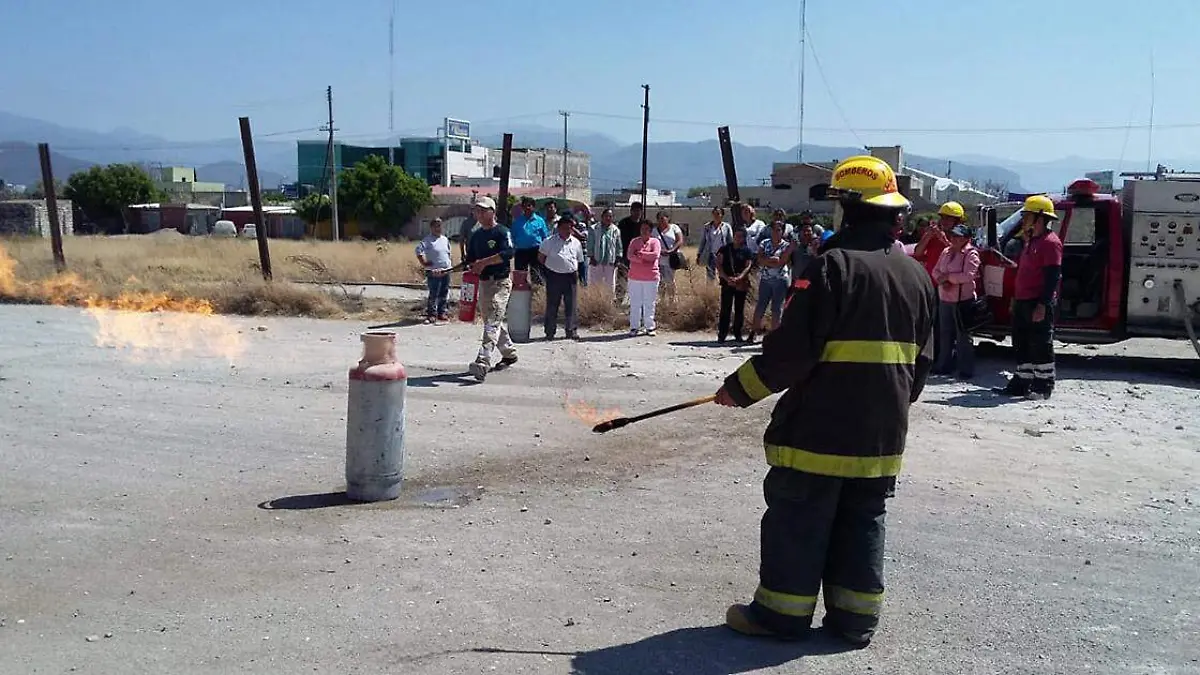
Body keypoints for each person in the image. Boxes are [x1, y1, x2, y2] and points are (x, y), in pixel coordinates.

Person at [714, 154, 937, 647]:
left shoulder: (829, 268)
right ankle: (855, 621)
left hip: (819, 430)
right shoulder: (917, 276)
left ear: (848, 209)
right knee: (862, 523)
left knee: (800, 519)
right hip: (881, 435)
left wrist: (738, 389)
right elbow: (921, 367)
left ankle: (780, 615)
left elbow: (791, 354)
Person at [995, 195, 1063, 400]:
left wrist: (1042, 304)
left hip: (1037, 302)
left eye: (1027, 216)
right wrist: (1016, 298)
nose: (1024, 220)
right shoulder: (1032, 241)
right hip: (1023, 301)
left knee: (1040, 344)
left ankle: (1044, 385)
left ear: (1039, 218)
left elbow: (1052, 276)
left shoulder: (1051, 243)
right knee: (1021, 342)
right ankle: (1022, 382)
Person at [463, 197, 519, 382]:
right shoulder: (476, 235)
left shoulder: (502, 232)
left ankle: (482, 360)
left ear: (492, 212)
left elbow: (508, 253)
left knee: (493, 317)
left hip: (501, 282)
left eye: (482, 210)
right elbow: (470, 260)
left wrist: (484, 263)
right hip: (485, 283)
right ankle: (509, 353)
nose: (478, 214)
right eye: (476, 210)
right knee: (491, 320)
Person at [932, 223, 981, 378]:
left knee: (963, 336)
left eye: (958, 236)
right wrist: (942, 280)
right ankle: (943, 365)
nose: (954, 238)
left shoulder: (971, 254)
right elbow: (936, 270)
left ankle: (965, 369)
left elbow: (969, 275)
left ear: (966, 239)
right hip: (945, 298)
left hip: (962, 301)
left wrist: (948, 278)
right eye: (953, 235)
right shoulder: (946, 251)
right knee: (945, 333)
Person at [538, 213, 585, 340]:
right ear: (558, 228)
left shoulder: (576, 243)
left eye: (569, 228)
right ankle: (549, 332)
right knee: (552, 305)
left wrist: (582, 277)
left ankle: (571, 330)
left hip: (571, 277)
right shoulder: (549, 242)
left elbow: (580, 261)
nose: (567, 230)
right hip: (554, 276)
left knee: (571, 305)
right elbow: (541, 258)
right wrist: (547, 272)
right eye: (564, 227)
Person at [750, 220, 791, 342]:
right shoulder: (764, 243)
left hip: (780, 280)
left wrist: (769, 261)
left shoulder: (786, 245)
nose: (775, 232)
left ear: (783, 231)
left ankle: (775, 336)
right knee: (761, 306)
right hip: (766, 279)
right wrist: (771, 260)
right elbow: (759, 259)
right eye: (773, 229)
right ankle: (754, 331)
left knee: (777, 308)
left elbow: (781, 262)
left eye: (778, 230)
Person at [716, 227, 754, 343]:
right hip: (727, 283)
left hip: (740, 284)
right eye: (736, 235)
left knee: (739, 309)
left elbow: (748, 266)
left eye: (740, 236)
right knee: (725, 309)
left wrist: (739, 278)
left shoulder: (746, 251)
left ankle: (737, 333)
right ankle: (722, 334)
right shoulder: (724, 249)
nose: (737, 238)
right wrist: (727, 278)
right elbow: (718, 264)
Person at [626, 220, 662, 336]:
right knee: (635, 302)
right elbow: (630, 255)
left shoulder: (655, 242)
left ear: (651, 231)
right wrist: (645, 258)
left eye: (647, 229)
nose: (644, 231)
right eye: (642, 229)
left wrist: (640, 254)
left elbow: (655, 255)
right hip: (635, 277)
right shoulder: (634, 241)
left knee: (649, 302)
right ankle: (634, 327)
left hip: (651, 277)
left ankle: (649, 326)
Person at [414, 217, 453, 324]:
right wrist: (424, 263)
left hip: (446, 271)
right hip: (434, 272)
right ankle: (431, 314)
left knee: (444, 293)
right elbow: (418, 251)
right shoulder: (427, 240)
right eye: (436, 226)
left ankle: (442, 312)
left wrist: (450, 266)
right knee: (434, 293)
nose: (438, 228)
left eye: (440, 226)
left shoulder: (445, 239)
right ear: (431, 227)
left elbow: (448, 254)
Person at [511, 197, 549, 282]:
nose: (527, 208)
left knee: (537, 275)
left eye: (529, 205)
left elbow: (545, 237)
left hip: (536, 250)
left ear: (534, 207)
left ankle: (536, 293)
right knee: (520, 276)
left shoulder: (540, 221)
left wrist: (544, 252)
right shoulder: (517, 221)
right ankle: (521, 294)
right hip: (521, 251)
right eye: (524, 206)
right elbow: (512, 236)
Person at [587, 208, 622, 296]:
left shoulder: (615, 230)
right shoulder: (594, 228)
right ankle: (594, 304)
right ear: (602, 217)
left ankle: (607, 305)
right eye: (606, 216)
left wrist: (618, 259)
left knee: (610, 286)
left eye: (610, 216)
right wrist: (591, 257)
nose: (608, 218)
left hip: (610, 262)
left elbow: (619, 246)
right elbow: (590, 244)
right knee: (594, 285)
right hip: (596, 260)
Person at [615, 202, 645, 301]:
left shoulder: (643, 224)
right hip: (625, 256)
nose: (637, 213)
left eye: (639, 211)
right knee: (622, 279)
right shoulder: (623, 223)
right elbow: (618, 240)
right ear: (631, 211)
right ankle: (619, 300)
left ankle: (636, 301)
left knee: (638, 280)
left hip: (639, 257)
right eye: (635, 210)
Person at [653, 211, 685, 302]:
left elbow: (680, 240)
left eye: (663, 219)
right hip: (658, 260)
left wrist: (671, 250)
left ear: (668, 218)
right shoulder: (654, 231)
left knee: (670, 281)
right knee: (660, 282)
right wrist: (659, 251)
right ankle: (661, 301)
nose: (661, 221)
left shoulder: (674, 228)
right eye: (659, 219)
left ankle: (672, 300)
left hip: (670, 259)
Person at [697, 207, 733, 282]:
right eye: (714, 213)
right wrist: (699, 254)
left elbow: (730, 241)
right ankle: (710, 290)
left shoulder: (726, 227)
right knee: (710, 275)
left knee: (723, 274)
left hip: (723, 254)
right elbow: (703, 241)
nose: (716, 215)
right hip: (711, 254)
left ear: (722, 215)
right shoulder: (707, 226)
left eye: (718, 214)